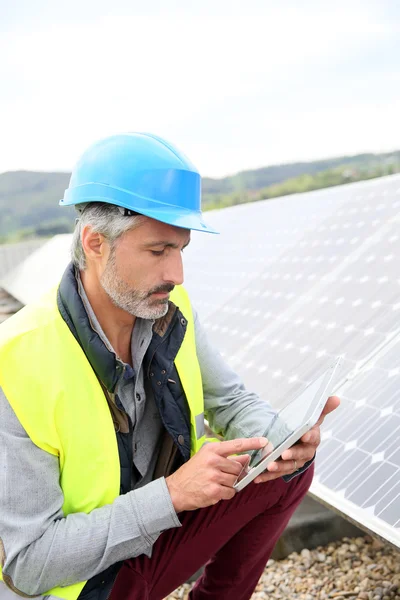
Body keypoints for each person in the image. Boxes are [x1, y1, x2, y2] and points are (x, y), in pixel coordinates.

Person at [0, 133, 340, 600]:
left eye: (182, 249)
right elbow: (30, 565)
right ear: (95, 243)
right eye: (159, 251)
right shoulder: (16, 361)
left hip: (153, 538)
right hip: (84, 584)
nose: (176, 274)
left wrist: (279, 440)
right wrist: (172, 494)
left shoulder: (167, 307)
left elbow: (231, 399)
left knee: (287, 471)